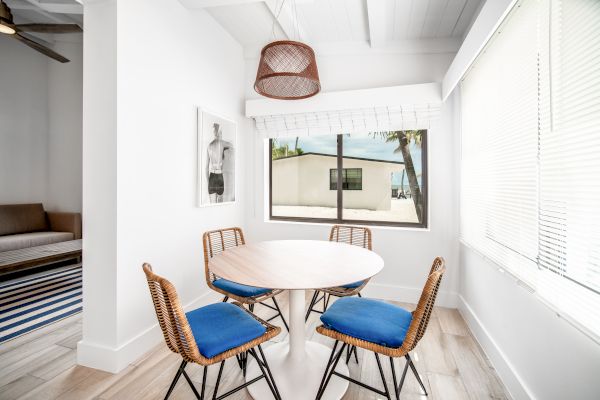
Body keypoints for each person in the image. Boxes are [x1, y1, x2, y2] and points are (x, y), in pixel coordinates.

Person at [206, 123, 232, 203]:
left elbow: (206, 167)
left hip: (212, 177)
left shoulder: (209, 145)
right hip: (219, 175)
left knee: (212, 205)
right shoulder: (222, 143)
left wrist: (208, 182)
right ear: (219, 132)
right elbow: (231, 145)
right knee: (220, 205)